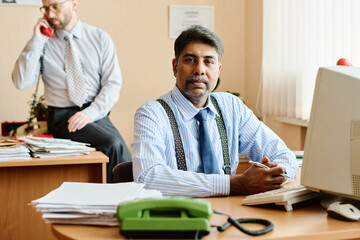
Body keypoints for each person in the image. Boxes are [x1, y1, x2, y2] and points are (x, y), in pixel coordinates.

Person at [132, 25, 299, 196]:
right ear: (175, 67)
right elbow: (148, 178)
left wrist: (274, 174)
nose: (199, 69)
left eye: (208, 61)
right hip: (178, 218)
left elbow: (284, 156)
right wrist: (236, 184)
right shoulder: (152, 114)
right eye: (190, 60)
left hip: (231, 212)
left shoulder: (232, 107)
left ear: (218, 70)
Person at [12, 0, 131, 183]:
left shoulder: (100, 38)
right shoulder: (42, 42)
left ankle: (128, 198)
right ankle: (110, 199)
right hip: (61, 116)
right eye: (45, 8)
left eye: (55, 6)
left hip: (95, 114)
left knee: (124, 156)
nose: (49, 14)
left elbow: (112, 84)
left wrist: (89, 114)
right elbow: (21, 82)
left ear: (73, 4)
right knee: (111, 144)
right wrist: (36, 40)